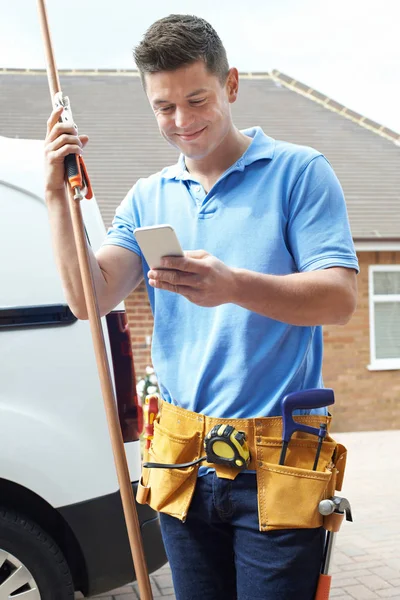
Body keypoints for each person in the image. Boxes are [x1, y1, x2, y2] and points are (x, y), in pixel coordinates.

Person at [44, 14, 359, 600]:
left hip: (276, 465)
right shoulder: (148, 197)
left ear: (231, 85)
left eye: (197, 99)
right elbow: (90, 299)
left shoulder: (300, 174)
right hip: (182, 463)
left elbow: (339, 299)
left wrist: (235, 285)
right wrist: (56, 199)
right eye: (164, 107)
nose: (182, 121)